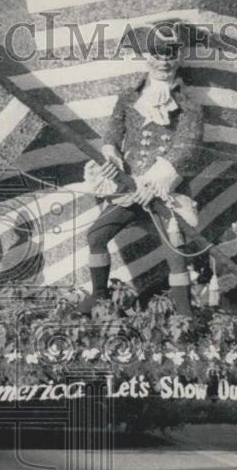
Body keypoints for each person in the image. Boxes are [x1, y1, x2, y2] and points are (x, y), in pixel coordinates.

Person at [79, 21, 205, 317]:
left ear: (180, 57)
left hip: (165, 193)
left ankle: (185, 317)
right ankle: (100, 298)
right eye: (158, 53)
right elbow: (112, 136)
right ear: (147, 56)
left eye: (171, 53)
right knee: (96, 236)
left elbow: (186, 148)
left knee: (176, 252)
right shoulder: (128, 98)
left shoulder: (191, 108)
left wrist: (153, 184)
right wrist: (112, 162)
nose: (164, 60)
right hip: (128, 188)